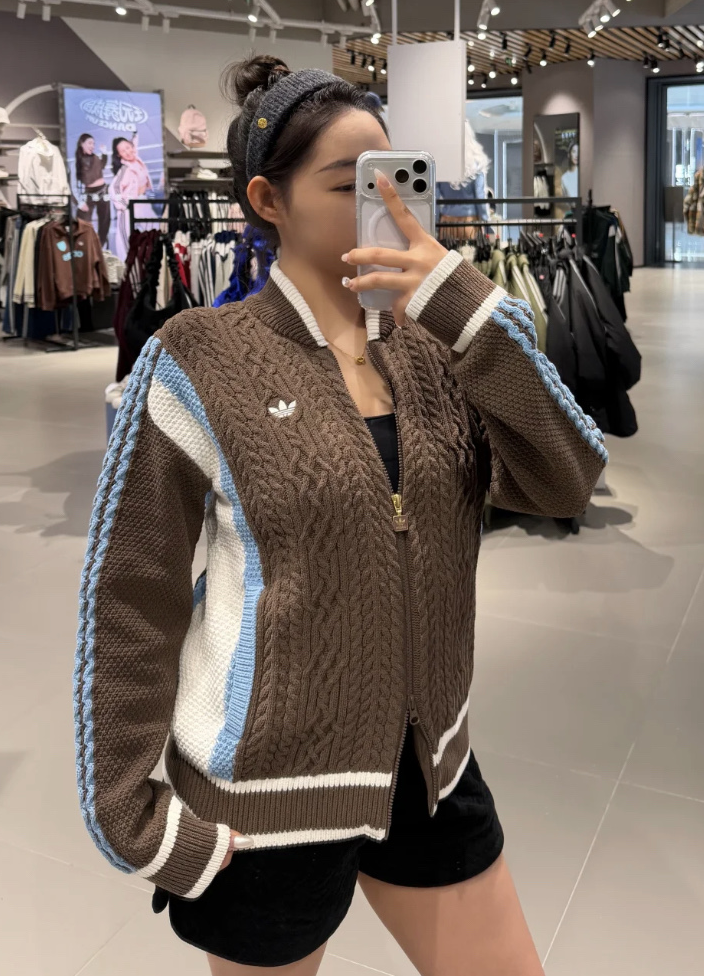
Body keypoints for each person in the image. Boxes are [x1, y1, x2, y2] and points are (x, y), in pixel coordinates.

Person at [75, 56, 608, 976]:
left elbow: (567, 479)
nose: (386, 204)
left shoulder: (439, 350)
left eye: (397, 176)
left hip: (427, 774)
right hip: (263, 806)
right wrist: (131, 814)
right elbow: (131, 589)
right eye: (350, 183)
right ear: (268, 200)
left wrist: (466, 310)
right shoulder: (198, 356)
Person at [436, 121, 490, 241]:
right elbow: (480, 198)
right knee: (471, 253)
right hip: (470, 222)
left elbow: (435, 198)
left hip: (446, 222)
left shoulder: (441, 163)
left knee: (447, 253)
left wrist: (434, 223)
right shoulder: (476, 164)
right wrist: (486, 223)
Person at [108, 132, 153, 260]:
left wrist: (135, 135)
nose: (128, 152)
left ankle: (144, 265)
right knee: (126, 240)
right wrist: (124, 206)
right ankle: (127, 266)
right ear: (119, 155)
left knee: (148, 235)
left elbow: (134, 145)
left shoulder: (136, 160)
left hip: (141, 204)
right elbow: (113, 188)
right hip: (127, 209)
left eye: (128, 147)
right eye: (123, 151)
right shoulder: (125, 169)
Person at [74, 133, 110, 247]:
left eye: (93, 144)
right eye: (89, 143)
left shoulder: (96, 158)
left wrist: (104, 153)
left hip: (103, 191)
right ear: (82, 144)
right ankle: (85, 247)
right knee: (83, 220)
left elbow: (102, 165)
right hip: (89, 193)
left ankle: (100, 246)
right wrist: (79, 202)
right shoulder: (76, 162)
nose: (92, 146)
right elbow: (73, 184)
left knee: (105, 221)